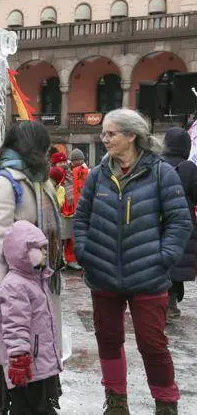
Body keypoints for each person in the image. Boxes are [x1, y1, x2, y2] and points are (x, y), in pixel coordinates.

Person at [73, 109, 193, 415]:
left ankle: (166, 403)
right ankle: (116, 401)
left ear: (132, 135)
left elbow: (180, 222)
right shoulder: (98, 174)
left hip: (148, 277)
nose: (105, 139)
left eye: (110, 133)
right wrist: (86, 252)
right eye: (103, 134)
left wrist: (162, 258)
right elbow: (82, 217)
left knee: (153, 344)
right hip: (102, 275)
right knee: (108, 340)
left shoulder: (161, 173)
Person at [0, 121, 63, 415]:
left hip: (41, 282)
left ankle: (35, 403)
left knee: (39, 347)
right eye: (43, 146)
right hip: (12, 289)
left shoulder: (40, 179)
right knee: (14, 346)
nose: (46, 152)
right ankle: (7, 405)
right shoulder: (7, 181)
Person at [0, 220, 62, 415]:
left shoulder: (36, 281)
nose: (45, 253)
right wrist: (18, 358)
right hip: (26, 367)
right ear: (23, 252)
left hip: (38, 365)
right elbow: (15, 326)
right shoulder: (15, 286)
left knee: (36, 408)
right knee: (28, 409)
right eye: (40, 249)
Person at [162, 127, 197, 323]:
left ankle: (160, 303)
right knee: (177, 264)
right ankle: (170, 303)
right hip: (183, 224)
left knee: (162, 263)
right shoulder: (190, 168)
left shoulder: (156, 164)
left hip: (158, 222)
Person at [50, 152, 80, 271]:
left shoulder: (71, 174)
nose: (62, 164)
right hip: (58, 210)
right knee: (58, 237)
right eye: (59, 162)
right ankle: (57, 259)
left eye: (64, 162)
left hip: (72, 209)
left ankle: (71, 259)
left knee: (71, 236)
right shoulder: (51, 176)